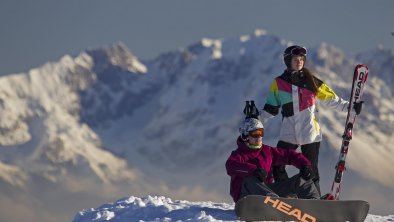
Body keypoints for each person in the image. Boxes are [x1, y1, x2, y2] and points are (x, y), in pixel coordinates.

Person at [260, 45, 362, 195]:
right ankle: (286, 196)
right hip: (289, 133)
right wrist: (256, 118)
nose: (299, 62)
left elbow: (332, 99)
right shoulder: (278, 83)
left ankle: (314, 201)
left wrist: (351, 107)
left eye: (302, 59)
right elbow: (271, 109)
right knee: (277, 165)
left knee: (310, 170)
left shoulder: (311, 81)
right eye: (296, 59)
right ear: (288, 61)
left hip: (310, 132)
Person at [225, 117, 320, 202]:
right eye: (255, 134)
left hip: (269, 192)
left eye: (261, 133)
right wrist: (252, 170)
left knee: (302, 178)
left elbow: (289, 155)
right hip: (247, 196)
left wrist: (304, 165)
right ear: (245, 136)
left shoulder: (267, 151)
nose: (259, 137)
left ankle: (314, 202)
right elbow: (230, 166)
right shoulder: (238, 154)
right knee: (250, 179)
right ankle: (271, 201)